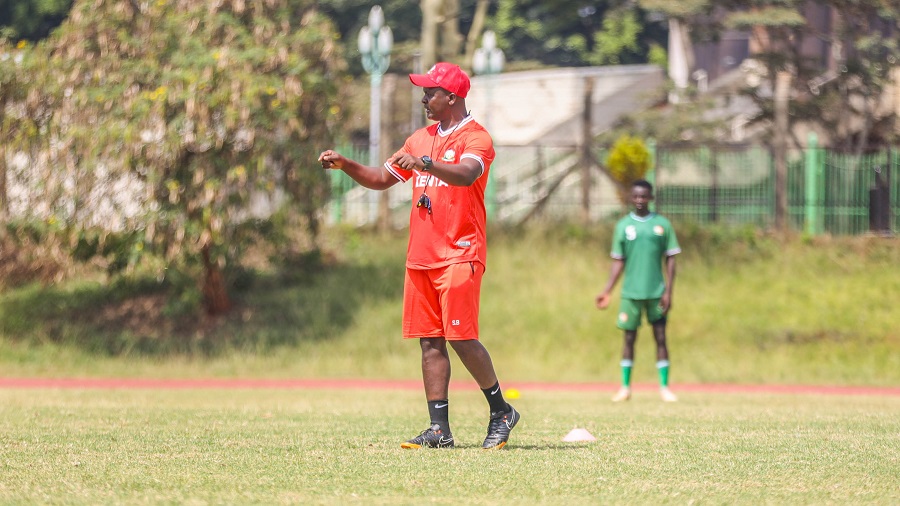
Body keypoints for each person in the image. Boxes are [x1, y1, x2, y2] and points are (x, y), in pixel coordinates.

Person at [318, 62, 519, 449]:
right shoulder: (419, 138)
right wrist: (346, 165)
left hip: (460, 253)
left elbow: (464, 175)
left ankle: (501, 410)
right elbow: (380, 179)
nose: (425, 98)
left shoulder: (477, 138)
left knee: (461, 337)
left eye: (431, 93)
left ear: (453, 98)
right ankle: (439, 429)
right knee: (430, 341)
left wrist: (426, 164)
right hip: (421, 257)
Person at [595, 179, 681, 403]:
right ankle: (625, 388)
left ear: (651, 198)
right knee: (629, 339)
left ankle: (664, 387)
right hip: (631, 293)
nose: (640, 200)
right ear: (631, 198)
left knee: (661, 338)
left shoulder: (662, 225)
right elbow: (618, 262)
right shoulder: (623, 226)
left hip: (656, 292)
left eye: (644, 196)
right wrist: (607, 290)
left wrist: (668, 291)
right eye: (636, 196)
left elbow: (671, 259)